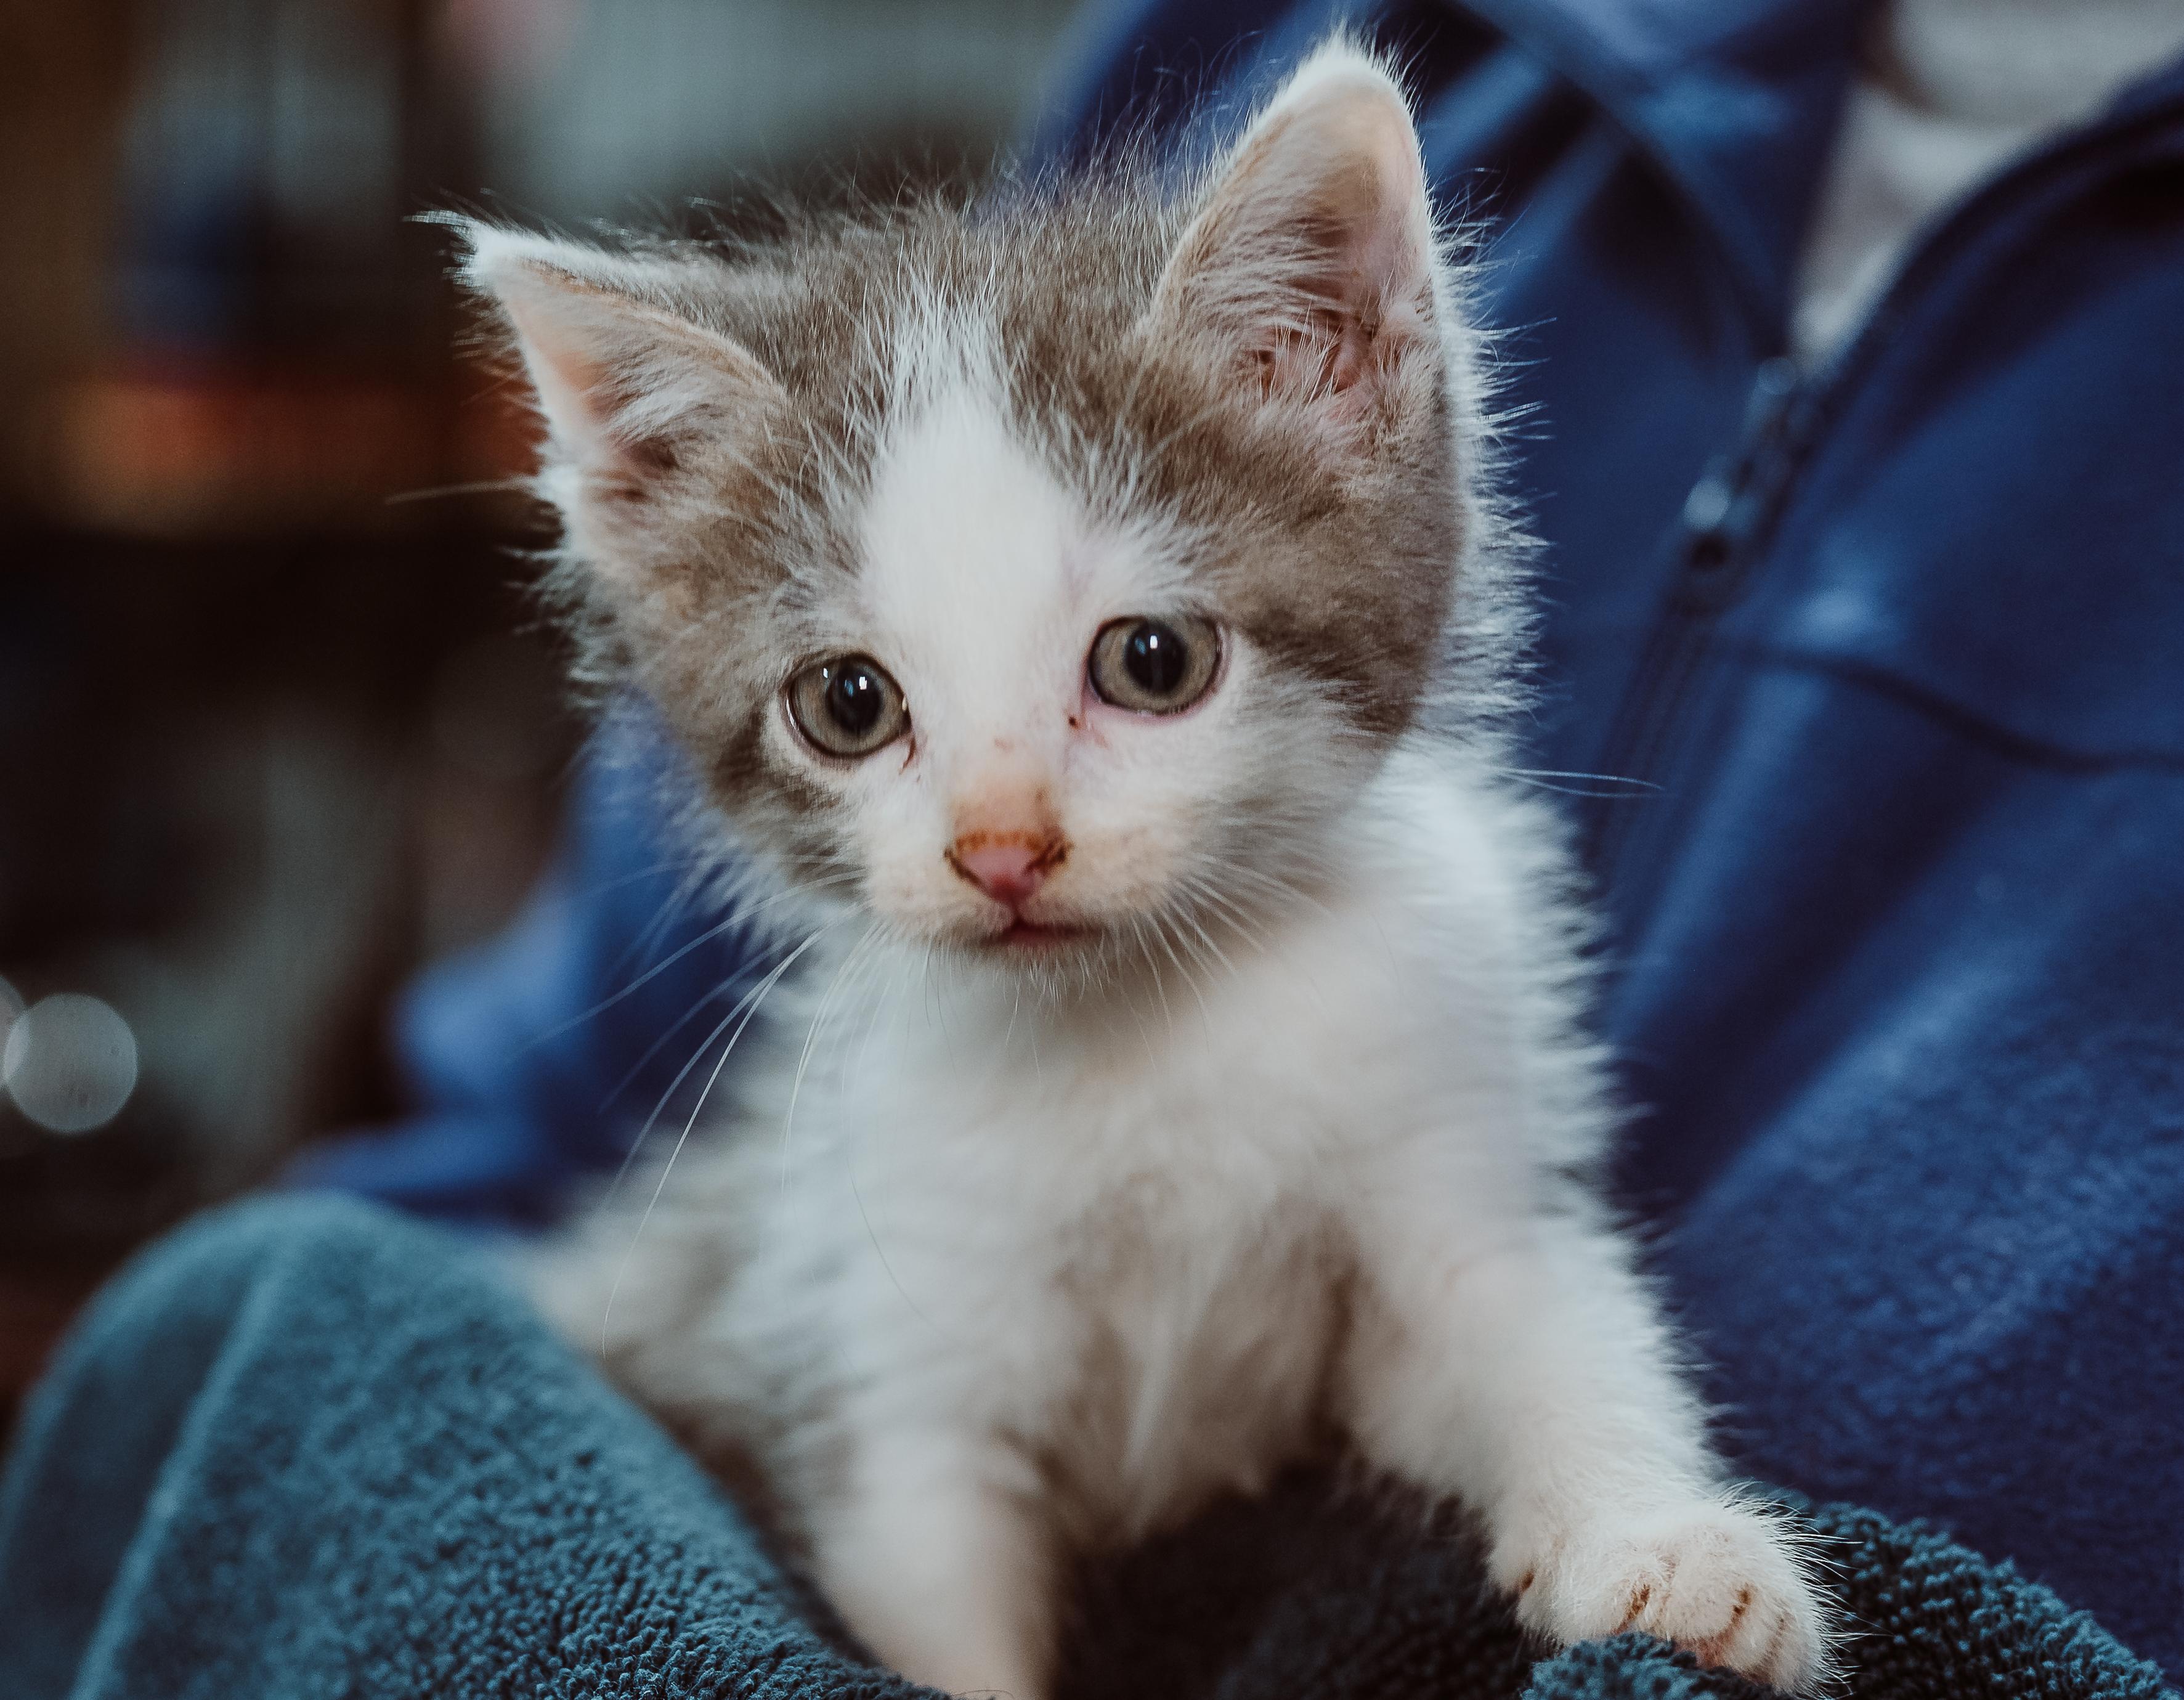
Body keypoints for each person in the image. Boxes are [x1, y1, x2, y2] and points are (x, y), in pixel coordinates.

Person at [9, 0, 2183, 1691]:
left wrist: (1615, 1505)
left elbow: (1471, 1294)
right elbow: (908, 1454)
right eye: (858, 710)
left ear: (1353, 381)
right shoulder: (901, 1068)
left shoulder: (1415, 926)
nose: (1002, 833)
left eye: (1143, 664)